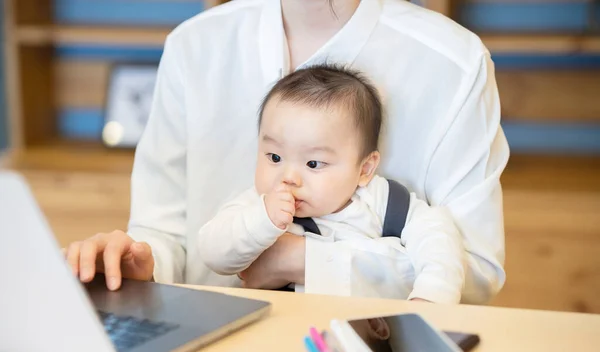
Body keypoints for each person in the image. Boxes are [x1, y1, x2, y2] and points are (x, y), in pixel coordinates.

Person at [63, 0, 509, 304]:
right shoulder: (193, 45)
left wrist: (298, 261)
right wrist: (141, 266)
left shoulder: (453, 63)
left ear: (366, 167)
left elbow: (475, 271)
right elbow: (165, 237)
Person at [198, 65, 466, 303]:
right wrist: (262, 220)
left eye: (313, 164)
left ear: (365, 169)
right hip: (276, 337)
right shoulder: (256, 206)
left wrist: (432, 294)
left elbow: (438, 239)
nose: (288, 177)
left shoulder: (387, 203)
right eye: (275, 157)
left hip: (361, 337)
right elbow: (213, 253)